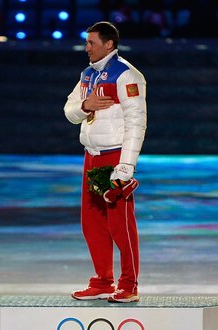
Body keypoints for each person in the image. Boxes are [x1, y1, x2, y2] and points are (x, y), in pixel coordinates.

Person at [64, 21, 147, 303]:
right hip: (91, 156)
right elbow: (69, 109)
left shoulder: (126, 75)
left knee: (120, 225)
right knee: (92, 223)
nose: (86, 48)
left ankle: (129, 284)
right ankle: (102, 280)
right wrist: (84, 106)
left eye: (91, 43)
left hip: (114, 158)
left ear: (108, 44)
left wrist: (126, 166)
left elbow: (137, 122)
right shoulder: (87, 74)